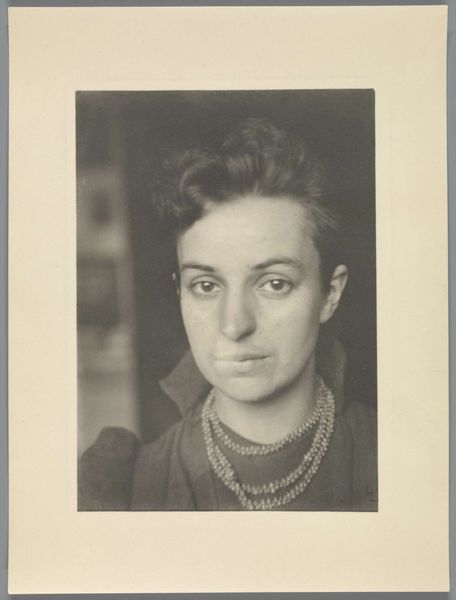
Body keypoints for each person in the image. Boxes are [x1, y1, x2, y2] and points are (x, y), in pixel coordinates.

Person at [78, 118, 377, 511]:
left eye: (274, 283)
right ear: (180, 292)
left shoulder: (402, 458)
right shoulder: (128, 487)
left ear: (330, 295)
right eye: (206, 286)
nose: (234, 325)